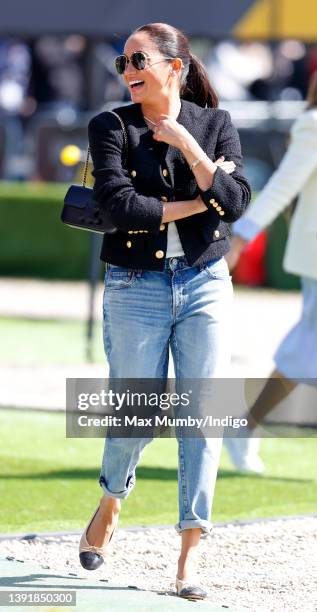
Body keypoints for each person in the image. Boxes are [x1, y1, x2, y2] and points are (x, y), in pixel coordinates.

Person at [78, 22, 251, 600]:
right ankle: (110, 497)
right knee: (137, 413)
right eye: (121, 61)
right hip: (135, 285)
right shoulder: (110, 126)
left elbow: (235, 203)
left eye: (138, 59)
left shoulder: (215, 124)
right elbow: (120, 205)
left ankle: (189, 557)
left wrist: (188, 145)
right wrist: (199, 197)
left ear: (174, 66)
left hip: (206, 282)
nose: (127, 70)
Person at [224, 72, 317, 474]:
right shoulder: (314, 124)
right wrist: (241, 236)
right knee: (305, 346)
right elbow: (282, 187)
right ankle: (245, 426)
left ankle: (245, 426)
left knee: (305, 347)